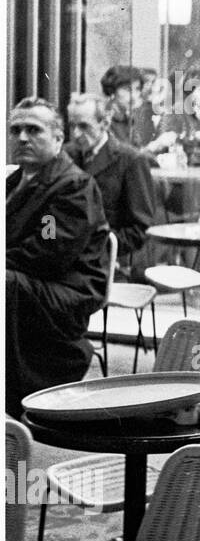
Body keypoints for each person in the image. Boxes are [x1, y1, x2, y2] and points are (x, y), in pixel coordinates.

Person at [6, 98, 112, 417]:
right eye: (16, 130)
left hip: (66, 290)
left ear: (57, 139)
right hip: (31, 280)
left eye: (33, 130)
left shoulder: (72, 186)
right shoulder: (14, 181)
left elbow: (49, 248)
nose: (22, 138)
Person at [65, 93, 159, 279]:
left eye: (83, 126)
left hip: (106, 262)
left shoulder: (131, 160)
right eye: (72, 126)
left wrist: (99, 249)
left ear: (105, 123)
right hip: (61, 256)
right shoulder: (64, 156)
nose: (76, 134)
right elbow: (48, 213)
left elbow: (140, 229)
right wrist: (48, 239)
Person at [101, 64, 170, 155]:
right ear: (112, 91)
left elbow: (136, 151)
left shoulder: (128, 119)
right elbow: (120, 157)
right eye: (127, 89)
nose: (134, 96)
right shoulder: (104, 118)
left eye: (137, 89)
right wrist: (153, 147)